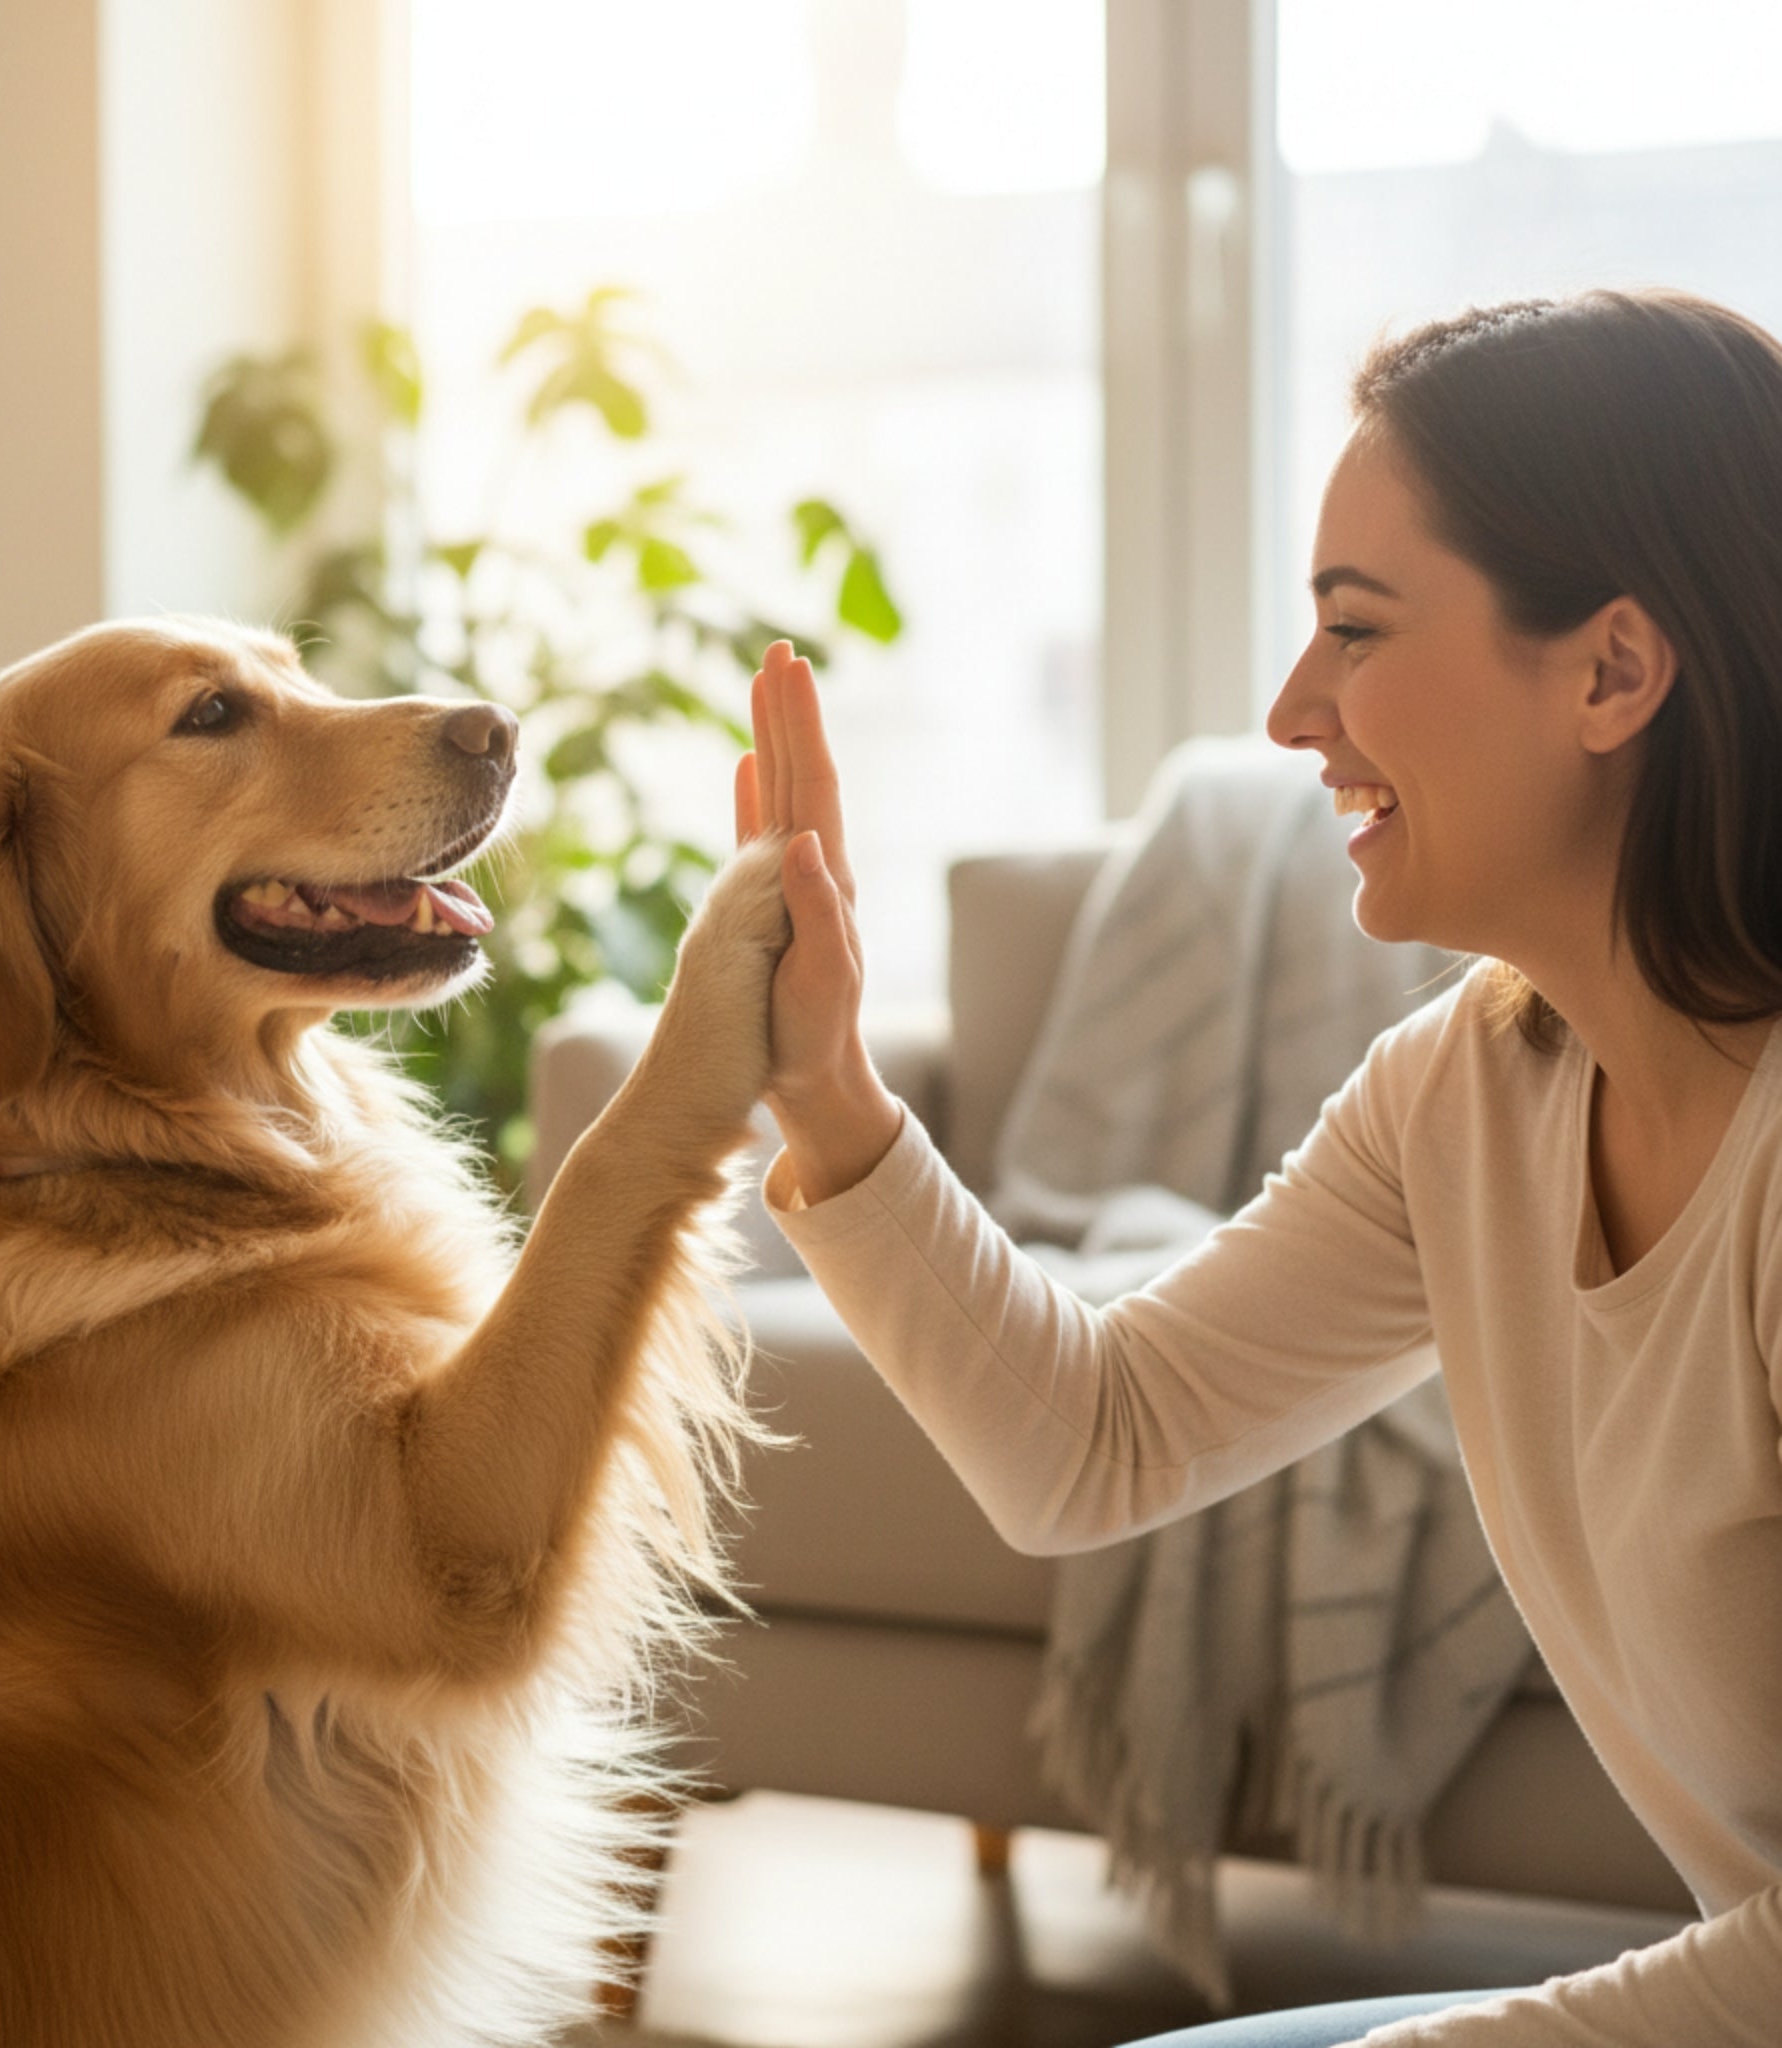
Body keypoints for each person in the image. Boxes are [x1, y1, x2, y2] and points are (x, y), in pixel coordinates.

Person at [732, 289, 1782, 2047]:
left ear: (1612, 671)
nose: (1295, 712)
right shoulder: (1467, 1097)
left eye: (1357, 632)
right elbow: (1098, 1441)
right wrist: (832, 1101)